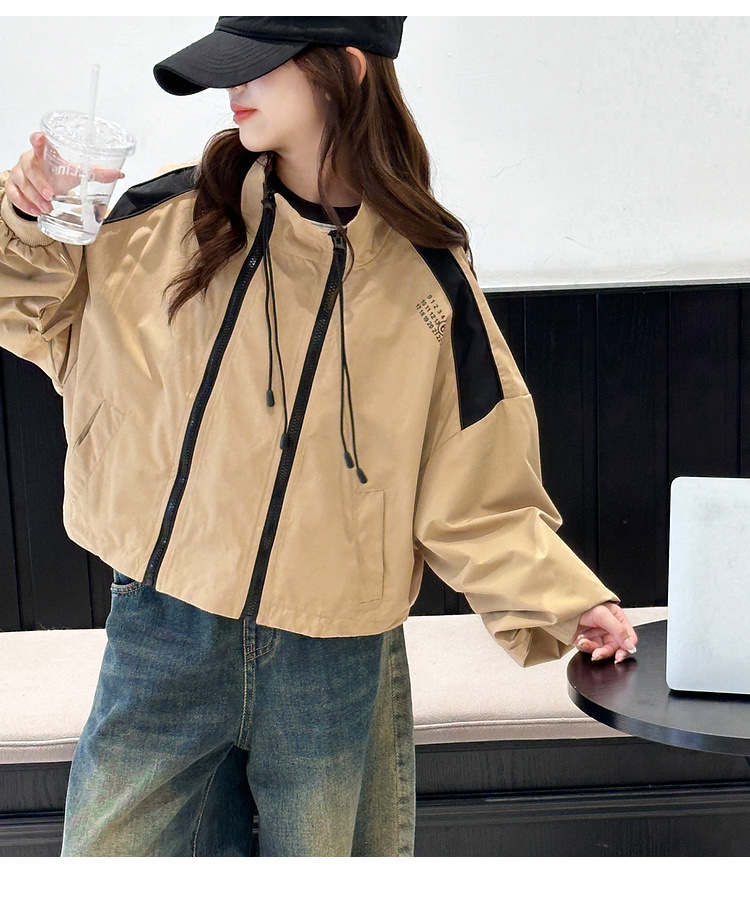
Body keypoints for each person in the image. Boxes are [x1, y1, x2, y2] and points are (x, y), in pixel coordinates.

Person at [0, 17, 637, 857]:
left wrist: (565, 596)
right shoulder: (167, 217)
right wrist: (26, 217)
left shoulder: (426, 276)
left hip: (333, 651)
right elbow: (37, 313)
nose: (234, 87)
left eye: (259, 66)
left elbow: (472, 482)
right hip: (163, 624)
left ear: (347, 69)